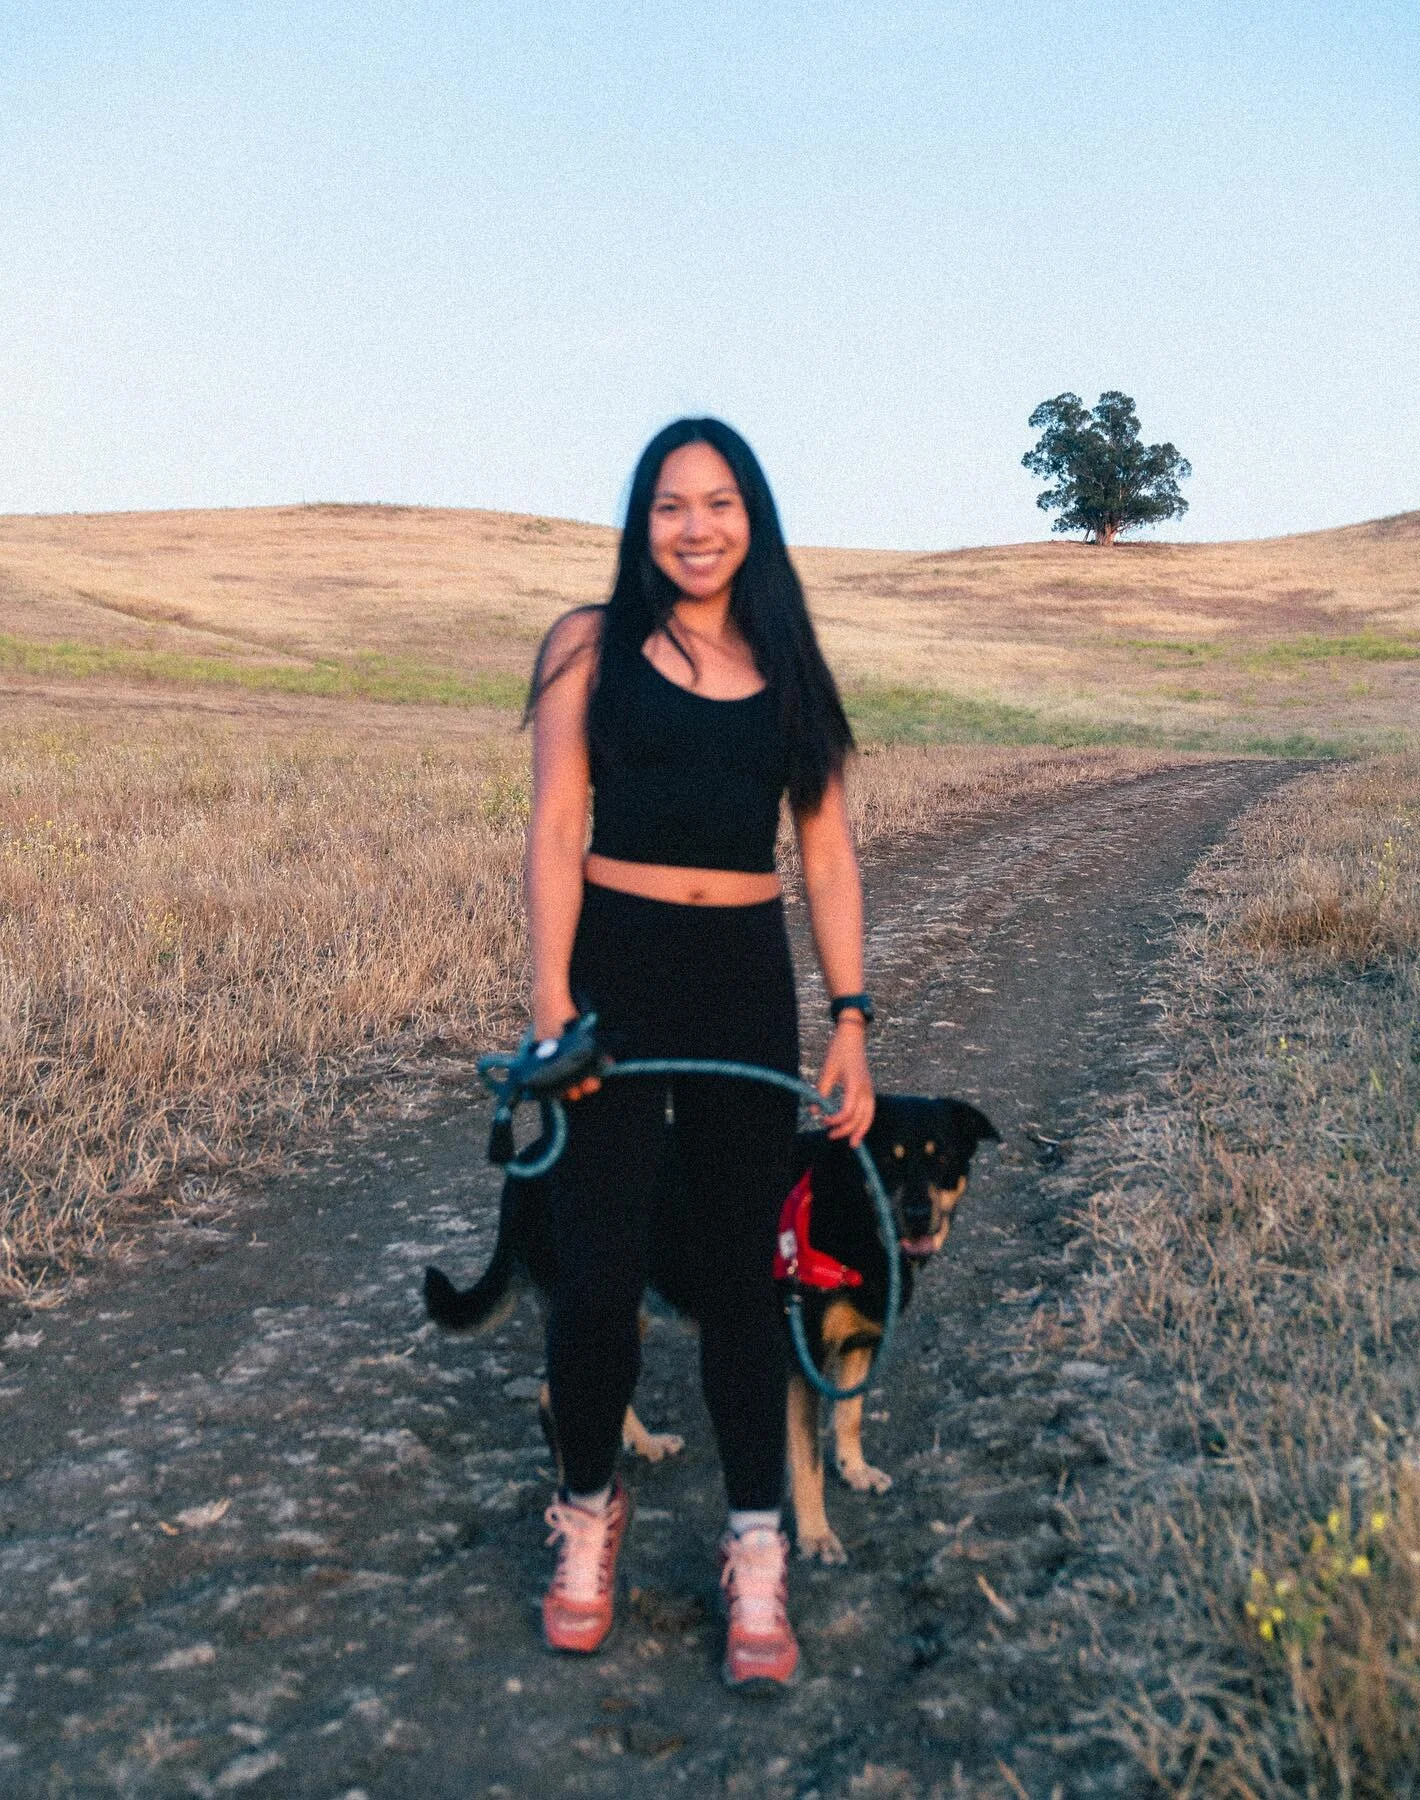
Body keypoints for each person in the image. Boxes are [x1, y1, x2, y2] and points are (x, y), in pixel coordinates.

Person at [523, 416, 875, 1687]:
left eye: (718, 503)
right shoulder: (588, 644)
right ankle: (584, 1514)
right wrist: (553, 998)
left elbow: (825, 853)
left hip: (740, 979)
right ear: (642, 520)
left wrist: (850, 1017)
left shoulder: (788, 658)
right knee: (598, 1263)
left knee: (739, 1276)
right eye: (670, 505)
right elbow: (559, 823)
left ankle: (755, 1546)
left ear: (752, 516)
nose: (694, 526)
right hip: (616, 970)